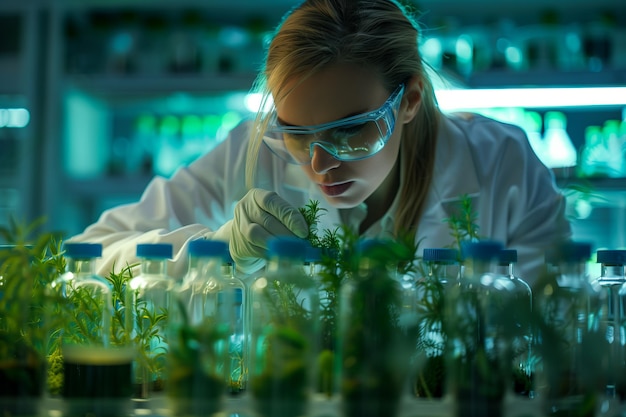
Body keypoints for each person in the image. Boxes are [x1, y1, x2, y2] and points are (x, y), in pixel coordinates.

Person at [68, 0, 571, 285]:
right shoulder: (251, 153)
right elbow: (85, 257)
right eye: (294, 132)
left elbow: (550, 334)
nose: (318, 163)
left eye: (350, 129)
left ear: (410, 99)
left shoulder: (503, 165)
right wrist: (215, 247)